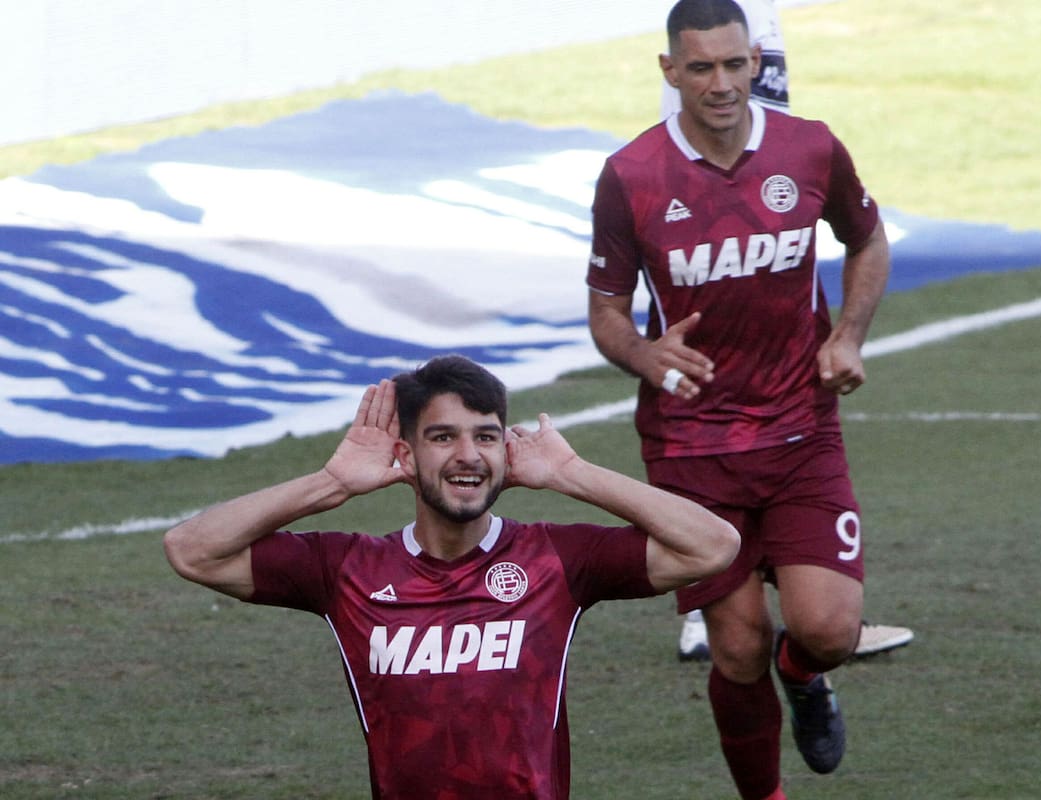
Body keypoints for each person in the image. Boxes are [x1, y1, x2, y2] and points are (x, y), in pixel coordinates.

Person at [162, 355, 740, 800]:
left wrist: (572, 473)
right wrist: (332, 484)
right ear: (405, 456)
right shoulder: (346, 570)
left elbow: (713, 545)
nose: (469, 454)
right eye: (443, 437)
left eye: (485, 436)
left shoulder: (556, 560)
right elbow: (193, 551)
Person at [586, 1, 891, 796]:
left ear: (755, 62)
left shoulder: (811, 148)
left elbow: (866, 239)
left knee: (828, 631)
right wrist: (644, 355)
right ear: (669, 72)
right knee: (736, 649)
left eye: (733, 65)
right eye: (700, 68)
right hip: (691, 445)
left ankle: (806, 673)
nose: (720, 84)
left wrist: (848, 334)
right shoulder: (631, 177)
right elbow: (608, 312)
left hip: (800, 430)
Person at [660, 0, 914, 665]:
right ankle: (712, 604)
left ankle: (796, 640)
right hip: (703, 426)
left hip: (792, 412)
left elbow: (862, 234)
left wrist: (847, 334)